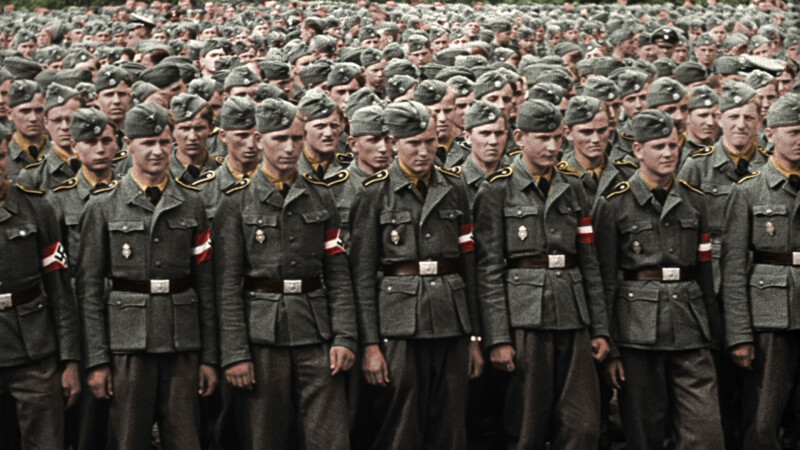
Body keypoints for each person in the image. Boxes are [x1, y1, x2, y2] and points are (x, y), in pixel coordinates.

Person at [212, 98, 356, 450]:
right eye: (280, 138)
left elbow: (337, 274)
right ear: (259, 140)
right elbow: (228, 285)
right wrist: (235, 353)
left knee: (330, 437)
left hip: (315, 329)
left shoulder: (320, 197)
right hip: (262, 333)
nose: (290, 148)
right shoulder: (236, 201)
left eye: (296, 138)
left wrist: (344, 336)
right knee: (266, 436)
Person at [76, 103, 218, 450]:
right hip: (126, 343)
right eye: (148, 143)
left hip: (182, 340)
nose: (157, 151)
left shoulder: (192, 203)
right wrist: (97, 361)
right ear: (128, 144)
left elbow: (206, 286)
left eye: (164, 142)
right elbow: (89, 291)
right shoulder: (103, 205)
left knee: (186, 439)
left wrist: (210, 357)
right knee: (128, 438)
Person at [473, 99, 608, 449]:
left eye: (557, 138)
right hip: (524, 318)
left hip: (573, 314)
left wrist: (599, 328)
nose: (552, 146)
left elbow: (589, 262)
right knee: (526, 426)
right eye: (543, 138)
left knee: (583, 426)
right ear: (519, 138)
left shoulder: (573, 185)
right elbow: (489, 270)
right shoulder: (496, 189)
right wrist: (498, 338)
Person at [349, 100, 482, 449]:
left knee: (450, 424)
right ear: (394, 143)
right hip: (397, 323)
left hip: (451, 318)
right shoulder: (373, 193)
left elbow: (469, 266)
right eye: (413, 143)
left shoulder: (455, 187)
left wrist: (473, 336)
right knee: (402, 423)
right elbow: (362, 276)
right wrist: (370, 345)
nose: (423, 152)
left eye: (430, 142)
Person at [593, 109, 724, 449]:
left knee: (706, 431)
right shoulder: (614, 204)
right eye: (658, 146)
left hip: (690, 326)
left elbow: (705, 274)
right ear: (638, 150)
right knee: (644, 432)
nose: (668, 153)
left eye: (672, 145)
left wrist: (714, 333)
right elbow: (605, 280)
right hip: (637, 331)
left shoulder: (694, 201)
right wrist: (610, 347)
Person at [721, 93, 800, 450]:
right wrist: (739, 334)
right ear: (770, 134)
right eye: (793, 132)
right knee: (763, 420)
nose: (799, 140)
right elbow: (734, 269)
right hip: (769, 319)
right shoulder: (749, 191)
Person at [0, 122, 81, 450]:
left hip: (35, 350)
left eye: (0, 157)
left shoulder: (37, 207)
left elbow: (60, 289)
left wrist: (70, 359)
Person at [47, 107, 119, 450]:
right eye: (90, 142)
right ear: (74, 147)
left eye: (106, 140)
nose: (100, 149)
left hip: (126, 314)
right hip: (81, 315)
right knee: (89, 420)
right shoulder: (58, 200)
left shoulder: (130, 191)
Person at [16, 84, 85, 190]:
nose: (64, 127)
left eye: (71, 120)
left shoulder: (104, 165)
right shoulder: (33, 176)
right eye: (57, 120)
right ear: (46, 123)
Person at [560, 96, 627, 200]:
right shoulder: (558, 179)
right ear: (568, 133)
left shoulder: (627, 173)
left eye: (602, 130)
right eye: (586, 132)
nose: (596, 139)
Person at [169, 93, 224, 185]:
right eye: (185, 129)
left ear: (211, 128)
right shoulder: (158, 171)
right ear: (172, 131)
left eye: (199, 128)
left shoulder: (222, 170)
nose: (192, 137)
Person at [7, 80, 50, 181]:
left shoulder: (62, 152)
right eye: (25, 111)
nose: (33, 118)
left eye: (39, 110)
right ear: (10, 114)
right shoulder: (4, 154)